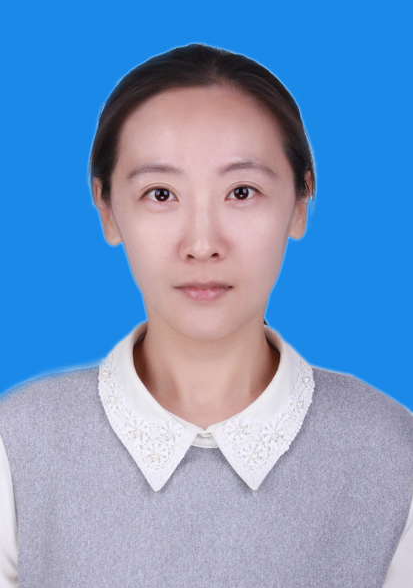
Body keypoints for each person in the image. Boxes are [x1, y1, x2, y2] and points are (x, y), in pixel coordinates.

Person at [0, 44, 412, 588]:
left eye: (241, 192)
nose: (201, 244)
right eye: (160, 193)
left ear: (300, 203)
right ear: (106, 209)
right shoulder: (17, 446)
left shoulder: (393, 453)